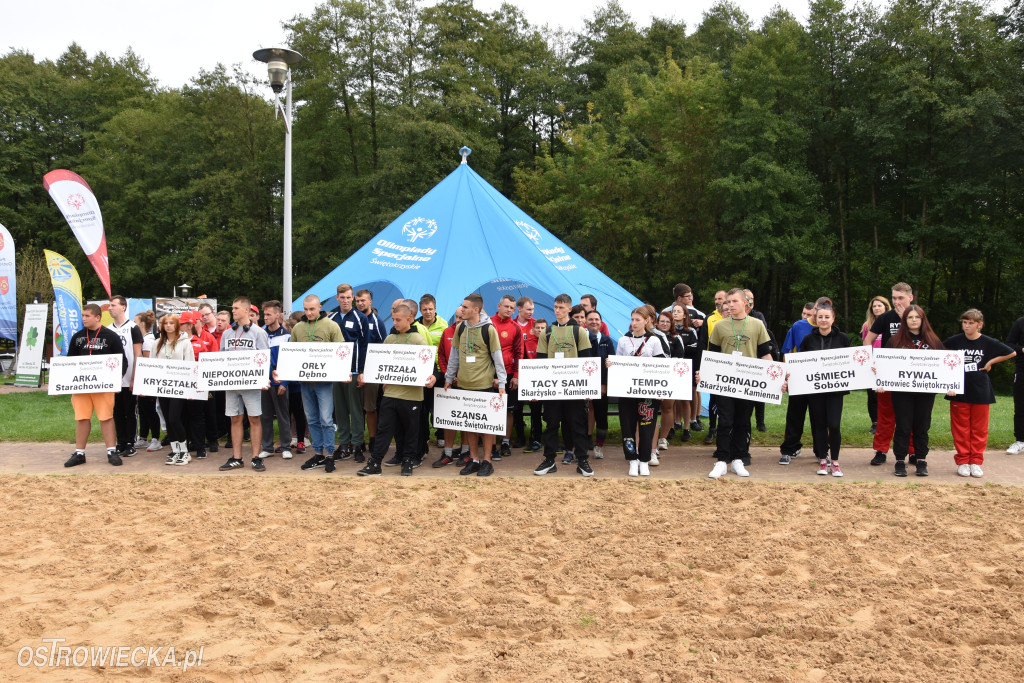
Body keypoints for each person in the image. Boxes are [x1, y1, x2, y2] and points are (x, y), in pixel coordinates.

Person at [698, 288, 774, 479]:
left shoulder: (757, 325)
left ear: (745, 303)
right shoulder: (720, 326)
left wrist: (776, 376)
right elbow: (712, 356)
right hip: (724, 382)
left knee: (743, 421)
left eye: (734, 301)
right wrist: (704, 374)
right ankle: (722, 460)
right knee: (725, 421)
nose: (730, 305)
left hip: (747, 383)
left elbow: (765, 353)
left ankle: (739, 459)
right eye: (728, 302)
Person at [357, 302, 438, 476]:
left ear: (409, 318)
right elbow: (380, 364)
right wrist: (368, 374)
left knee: (411, 431)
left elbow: (431, 365)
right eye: (393, 319)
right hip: (391, 393)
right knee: (384, 429)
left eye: (398, 320)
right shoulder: (390, 339)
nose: (394, 323)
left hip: (412, 396)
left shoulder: (418, 340)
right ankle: (375, 462)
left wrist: (433, 376)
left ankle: (407, 461)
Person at [943, 309, 1015, 477]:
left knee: (979, 429)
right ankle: (962, 461)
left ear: (979, 325)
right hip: (958, 390)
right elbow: (939, 352)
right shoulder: (954, 340)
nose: (967, 326)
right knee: (960, 428)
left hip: (981, 390)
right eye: (964, 323)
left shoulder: (988, 342)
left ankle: (975, 461)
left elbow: (1011, 352)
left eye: (971, 323)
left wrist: (990, 361)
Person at [443, 294, 506, 476]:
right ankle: (474, 459)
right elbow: (454, 355)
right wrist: (448, 378)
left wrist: (501, 383)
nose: (461, 310)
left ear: (476, 310)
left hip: (483, 385)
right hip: (464, 384)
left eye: (465, 307)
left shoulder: (489, 329)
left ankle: (487, 461)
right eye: (461, 306)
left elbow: (497, 357)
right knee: (469, 424)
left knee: (486, 426)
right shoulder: (460, 328)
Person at [533, 293, 594, 477]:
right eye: (555, 307)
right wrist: (538, 389)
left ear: (569, 308)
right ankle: (549, 460)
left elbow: (587, 362)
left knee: (577, 423)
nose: (557, 311)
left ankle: (582, 460)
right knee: (551, 424)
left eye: (561, 307)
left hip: (573, 387)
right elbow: (541, 362)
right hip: (552, 388)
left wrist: (587, 389)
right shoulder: (547, 332)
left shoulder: (579, 332)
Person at [786, 302, 849, 477]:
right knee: (820, 425)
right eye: (820, 317)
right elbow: (801, 364)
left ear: (833, 319)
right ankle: (823, 460)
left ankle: (835, 461)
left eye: (827, 317)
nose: (823, 320)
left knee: (834, 425)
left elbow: (851, 363)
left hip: (835, 391)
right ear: (815, 318)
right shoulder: (808, 339)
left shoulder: (843, 339)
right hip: (815, 390)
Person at [881, 305, 943, 477]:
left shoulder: (933, 341)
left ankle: (921, 460)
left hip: (925, 391)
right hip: (902, 392)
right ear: (905, 320)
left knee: (922, 426)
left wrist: (950, 385)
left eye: (917, 317)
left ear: (923, 320)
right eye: (910, 317)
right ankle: (900, 460)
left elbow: (945, 367)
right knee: (903, 426)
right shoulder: (895, 341)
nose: (914, 320)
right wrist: (880, 380)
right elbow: (884, 364)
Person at [63, 303, 128, 468]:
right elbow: (69, 363)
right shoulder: (77, 337)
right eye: (82, 316)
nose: (83, 319)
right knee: (82, 418)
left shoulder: (111, 336)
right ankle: (79, 453)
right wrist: (62, 382)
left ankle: (111, 451)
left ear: (97, 317)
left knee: (106, 417)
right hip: (82, 387)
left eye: (87, 316)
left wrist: (117, 378)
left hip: (104, 386)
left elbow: (122, 361)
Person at [287, 295, 344, 473]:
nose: (309, 312)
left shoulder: (331, 325)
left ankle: (329, 455)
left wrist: (343, 370)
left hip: (324, 382)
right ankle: (318, 454)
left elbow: (341, 351)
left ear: (320, 307)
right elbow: (291, 353)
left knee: (326, 419)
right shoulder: (298, 327)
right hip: (306, 381)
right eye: (306, 309)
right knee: (311, 418)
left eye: (312, 309)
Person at [610, 308, 668, 476]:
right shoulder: (623, 340)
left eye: (637, 320)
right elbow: (618, 364)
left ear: (646, 321)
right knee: (627, 427)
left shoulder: (654, 341)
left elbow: (661, 367)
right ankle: (632, 460)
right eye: (632, 319)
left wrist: (660, 390)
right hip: (627, 392)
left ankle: (644, 461)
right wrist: (611, 365)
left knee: (646, 427)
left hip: (647, 393)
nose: (634, 323)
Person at [217, 296, 272, 472]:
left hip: (252, 384)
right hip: (232, 385)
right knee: (235, 418)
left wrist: (264, 378)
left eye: (236, 308)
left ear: (247, 310)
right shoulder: (227, 333)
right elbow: (221, 359)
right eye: (232, 308)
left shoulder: (258, 333)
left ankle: (256, 457)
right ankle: (237, 457)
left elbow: (265, 358)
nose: (233, 311)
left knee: (254, 418)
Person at [863, 283, 914, 466]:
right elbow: (868, 340)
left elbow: (927, 341)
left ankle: (913, 451)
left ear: (911, 297)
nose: (897, 301)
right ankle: (881, 451)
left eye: (901, 298)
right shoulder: (885, 317)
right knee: (885, 414)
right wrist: (872, 362)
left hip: (910, 374)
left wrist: (905, 319)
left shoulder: (918, 316)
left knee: (910, 415)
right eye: (894, 298)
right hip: (886, 373)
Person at [778, 297, 829, 466]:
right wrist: (786, 374)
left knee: (820, 418)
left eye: (824, 310)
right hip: (799, 377)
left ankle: (821, 450)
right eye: (816, 309)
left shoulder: (831, 330)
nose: (819, 314)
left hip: (820, 381)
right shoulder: (799, 326)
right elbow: (787, 350)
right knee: (794, 415)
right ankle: (789, 449)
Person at [329, 284, 370, 461]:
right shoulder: (332, 318)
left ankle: (357, 444)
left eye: (348, 297)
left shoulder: (360, 318)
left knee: (355, 410)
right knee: (340, 410)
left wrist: (361, 371)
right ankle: (344, 444)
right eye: (342, 297)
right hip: (336, 372)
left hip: (354, 372)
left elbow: (364, 345)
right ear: (337, 298)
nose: (345, 300)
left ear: (352, 298)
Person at [152, 314, 194, 465]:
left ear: (177, 325)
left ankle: (185, 451)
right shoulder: (157, 343)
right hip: (163, 387)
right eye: (165, 323)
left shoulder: (185, 343)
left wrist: (190, 388)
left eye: (171, 323)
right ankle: (176, 451)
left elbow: (190, 364)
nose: (168, 325)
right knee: (167, 420)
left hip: (179, 387)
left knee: (174, 418)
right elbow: (152, 364)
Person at [107, 295, 144, 457]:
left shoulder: (132, 328)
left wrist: (135, 377)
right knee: (117, 412)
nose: (109, 308)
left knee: (130, 411)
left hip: (129, 377)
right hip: (114, 379)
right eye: (109, 305)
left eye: (113, 305)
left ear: (123, 307)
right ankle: (121, 442)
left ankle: (131, 442)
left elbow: (137, 354)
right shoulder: (108, 329)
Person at [431, 307, 466, 468]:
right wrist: (449, 376)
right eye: (457, 317)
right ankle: (448, 453)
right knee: (450, 419)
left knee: (467, 419)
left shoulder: (472, 332)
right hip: (450, 382)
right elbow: (442, 357)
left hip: (468, 382)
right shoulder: (447, 332)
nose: (459, 320)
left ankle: (465, 452)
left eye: (462, 317)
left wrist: (463, 377)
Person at [490, 295, 523, 460]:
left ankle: (505, 442)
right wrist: (492, 375)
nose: (509, 310)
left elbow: (519, 353)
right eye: (506, 306)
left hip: (509, 373)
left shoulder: (516, 327)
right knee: (492, 409)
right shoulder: (488, 323)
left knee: (508, 411)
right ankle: (492, 445)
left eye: (512, 308)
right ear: (499, 305)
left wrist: (516, 375)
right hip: (490, 373)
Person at [259, 300, 292, 460]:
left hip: (279, 383)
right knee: (264, 416)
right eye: (264, 314)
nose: (265, 317)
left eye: (268, 314)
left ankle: (286, 446)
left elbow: (289, 362)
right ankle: (267, 447)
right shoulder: (261, 334)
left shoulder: (287, 336)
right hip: (263, 382)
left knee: (282, 415)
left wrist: (284, 383)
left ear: (278, 315)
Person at [417, 293, 448, 452]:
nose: (428, 312)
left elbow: (445, 350)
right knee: (422, 405)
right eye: (424, 309)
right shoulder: (415, 325)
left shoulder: (443, 325)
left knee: (438, 405)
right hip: (421, 369)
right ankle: (424, 435)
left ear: (435, 309)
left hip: (438, 369)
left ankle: (441, 434)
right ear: (420, 310)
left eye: (430, 309)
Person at [355, 288, 384, 460]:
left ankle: (373, 439)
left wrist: (370, 372)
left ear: (370, 302)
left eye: (363, 300)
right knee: (357, 409)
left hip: (371, 372)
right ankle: (358, 441)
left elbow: (382, 348)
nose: (360, 303)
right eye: (357, 301)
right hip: (353, 371)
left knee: (370, 408)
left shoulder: (377, 322)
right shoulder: (352, 319)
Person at [178, 312, 211, 460]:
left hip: (196, 386)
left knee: (197, 417)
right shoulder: (175, 343)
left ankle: (200, 447)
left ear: (189, 325)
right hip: (180, 386)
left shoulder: (200, 344)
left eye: (181, 324)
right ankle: (184, 446)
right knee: (181, 417)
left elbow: (205, 366)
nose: (179, 326)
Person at [744, 289, 776, 432]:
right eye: (747, 298)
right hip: (744, 360)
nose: (750, 301)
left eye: (752, 299)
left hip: (758, 358)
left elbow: (762, 333)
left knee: (759, 393)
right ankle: (746, 422)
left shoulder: (758, 316)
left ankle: (760, 422)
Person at [699, 290, 728, 444]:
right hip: (714, 364)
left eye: (720, 299)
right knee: (713, 399)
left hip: (733, 368)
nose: (727, 313)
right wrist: (704, 365)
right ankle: (712, 429)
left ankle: (726, 431)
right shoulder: (709, 319)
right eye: (715, 299)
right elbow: (703, 343)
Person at [586, 309, 615, 458]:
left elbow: (611, 364)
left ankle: (599, 445)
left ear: (601, 322)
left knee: (601, 416)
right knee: (581, 416)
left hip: (601, 386)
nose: (594, 322)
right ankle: (583, 443)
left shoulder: (606, 340)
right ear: (585, 321)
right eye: (590, 319)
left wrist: (605, 384)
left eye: (597, 319)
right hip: (582, 386)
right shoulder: (579, 338)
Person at [861, 296, 891, 435]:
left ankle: (888, 421)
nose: (877, 308)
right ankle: (875, 422)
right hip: (872, 364)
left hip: (888, 363)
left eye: (880, 305)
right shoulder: (867, 325)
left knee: (887, 394)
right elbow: (865, 344)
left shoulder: (892, 323)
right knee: (872, 395)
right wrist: (869, 361)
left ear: (886, 306)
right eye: (874, 306)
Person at [134, 311, 162, 452]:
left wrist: (144, 384)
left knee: (150, 409)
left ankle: (156, 439)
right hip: (142, 380)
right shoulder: (144, 338)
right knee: (143, 410)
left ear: (143, 324)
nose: (134, 325)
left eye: (136, 322)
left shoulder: (148, 340)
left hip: (148, 380)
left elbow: (147, 363)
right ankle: (143, 437)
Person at [511, 296, 537, 448]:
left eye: (532, 309)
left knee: (534, 406)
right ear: (519, 309)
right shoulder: (512, 324)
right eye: (528, 309)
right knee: (517, 407)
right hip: (518, 372)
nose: (531, 312)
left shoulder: (537, 325)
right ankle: (519, 436)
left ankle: (535, 436)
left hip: (534, 372)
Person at [1005, 314, 1024, 454]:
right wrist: (1022, 349)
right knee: (1021, 406)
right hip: (1022, 370)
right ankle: (1020, 441)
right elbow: (1008, 344)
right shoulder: (1021, 322)